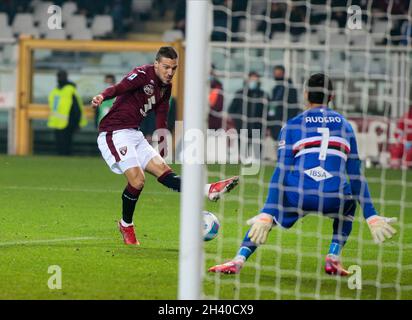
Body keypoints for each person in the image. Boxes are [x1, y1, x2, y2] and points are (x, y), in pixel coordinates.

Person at [209, 73, 397, 276]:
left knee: (272, 213)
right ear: (332, 96)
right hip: (333, 196)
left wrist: (267, 211)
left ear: (305, 94)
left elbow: (281, 171)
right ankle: (333, 257)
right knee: (349, 202)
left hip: (299, 193)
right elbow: (356, 174)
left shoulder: (293, 124)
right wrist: (371, 214)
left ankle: (238, 259)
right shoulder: (345, 126)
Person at [91, 46, 239, 245]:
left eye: (174, 68)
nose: (170, 72)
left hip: (134, 133)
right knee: (138, 180)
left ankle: (208, 189)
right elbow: (120, 87)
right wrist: (103, 96)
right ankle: (126, 225)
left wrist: (162, 140)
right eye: (166, 67)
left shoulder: (165, 88)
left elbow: (161, 114)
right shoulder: (142, 73)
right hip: (114, 132)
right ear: (156, 64)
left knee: (165, 172)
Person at [47, 69, 87, 156]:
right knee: (59, 144)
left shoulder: (70, 90)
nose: (59, 78)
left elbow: (76, 108)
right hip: (57, 122)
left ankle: (66, 158)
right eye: (59, 76)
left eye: (61, 76)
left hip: (69, 121)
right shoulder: (55, 91)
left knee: (66, 144)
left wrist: (76, 123)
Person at [228, 71, 269, 152]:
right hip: (243, 126)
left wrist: (267, 126)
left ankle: (257, 162)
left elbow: (267, 112)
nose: (253, 82)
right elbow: (231, 109)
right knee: (243, 152)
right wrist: (237, 121)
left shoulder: (263, 95)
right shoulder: (240, 93)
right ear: (247, 80)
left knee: (257, 153)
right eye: (251, 79)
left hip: (257, 127)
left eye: (255, 79)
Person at [267, 65, 299, 141]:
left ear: (283, 74)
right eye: (275, 74)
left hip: (284, 124)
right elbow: (272, 108)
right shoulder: (275, 89)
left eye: (279, 74)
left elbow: (293, 108)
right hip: (275, 125)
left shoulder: (290, 89)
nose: (276, 76)